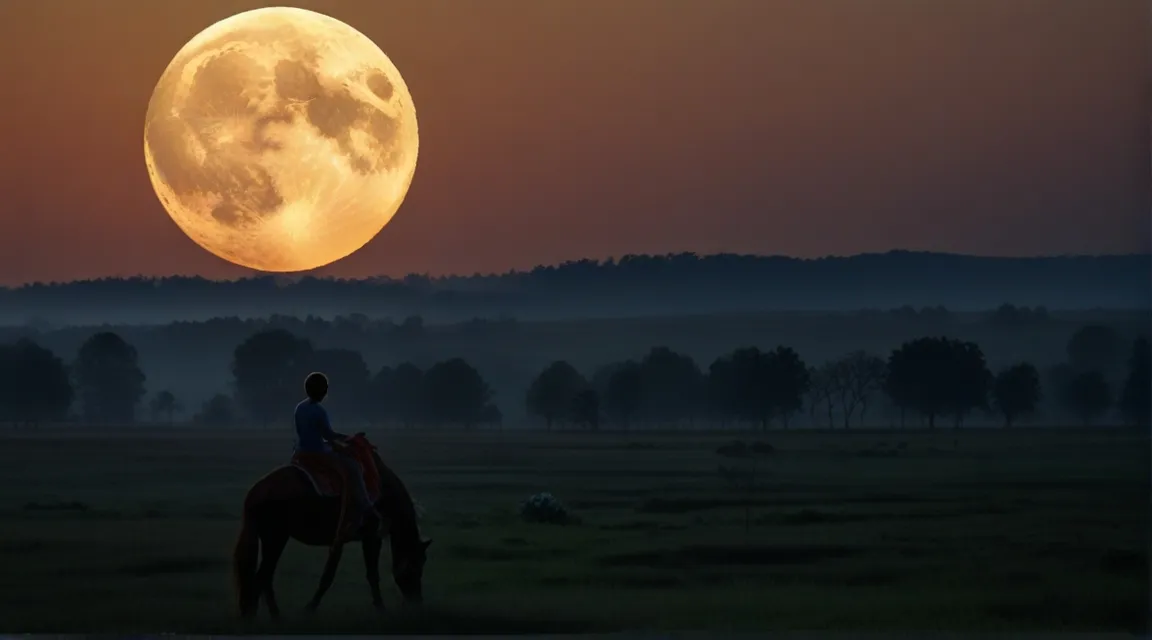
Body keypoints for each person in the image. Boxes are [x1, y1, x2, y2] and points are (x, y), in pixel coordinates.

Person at [294, 371, 380, 539]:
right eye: (324, 389)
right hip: (317, 453)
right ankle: (365, 506)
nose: (326, 392)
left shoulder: (299, 408)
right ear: (319, 391)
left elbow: (307, 434)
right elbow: (328, 435)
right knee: (353, 467)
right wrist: (349, 438)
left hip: (300, 451)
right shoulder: (319, 411)